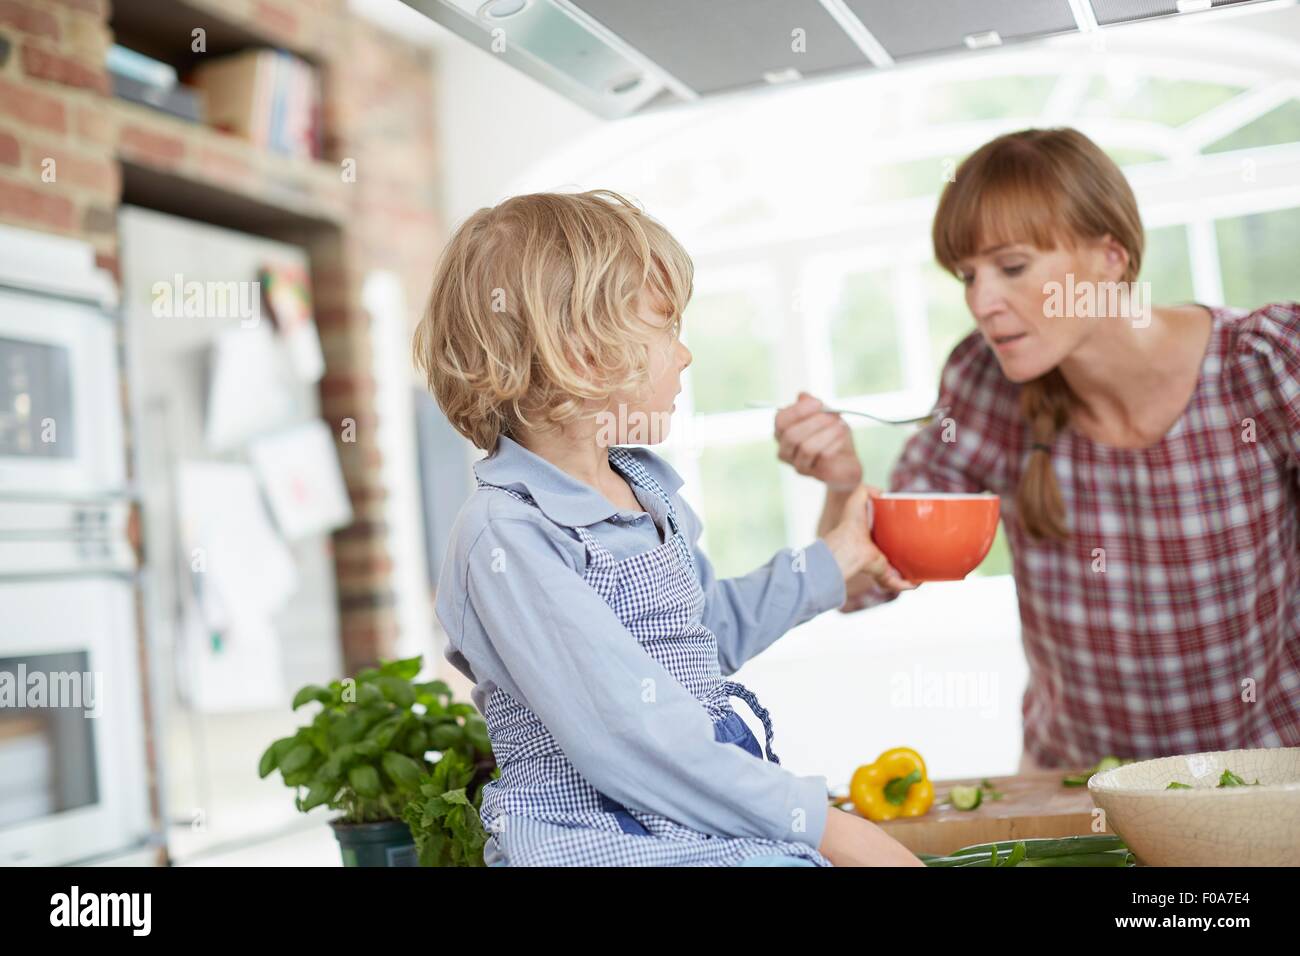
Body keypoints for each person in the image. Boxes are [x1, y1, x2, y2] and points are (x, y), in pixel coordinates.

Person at [414, 189, 921, 866]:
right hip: (597, 841)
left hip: (686, 820)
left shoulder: (645, 490)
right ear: (583, 351)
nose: (683, 356)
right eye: (664, 328)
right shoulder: (509, 535)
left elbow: (701, 638)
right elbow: (634, 734)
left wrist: (836, 556)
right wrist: (828, 826)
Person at [776, 127, 1300, 772]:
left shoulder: (1265, 363)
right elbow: (859, 584)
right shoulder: (984, 382)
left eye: (1013, 267)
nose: (981, 302)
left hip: (1270, 782)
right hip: (1080, 791)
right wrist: (841, 483)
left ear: (1110, 257)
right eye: (968, 275)